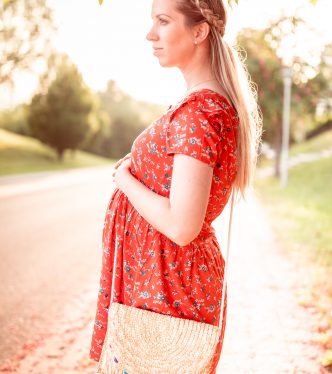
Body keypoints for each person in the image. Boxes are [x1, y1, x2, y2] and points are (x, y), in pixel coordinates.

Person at [89, 0, 262, 371]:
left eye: (163, 21)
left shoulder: (199, 114)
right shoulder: (202, 106)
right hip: (164, 279)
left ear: (199, 31)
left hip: (168, 285)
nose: (150, 34)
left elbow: (183, 227)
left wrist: (125, 180)